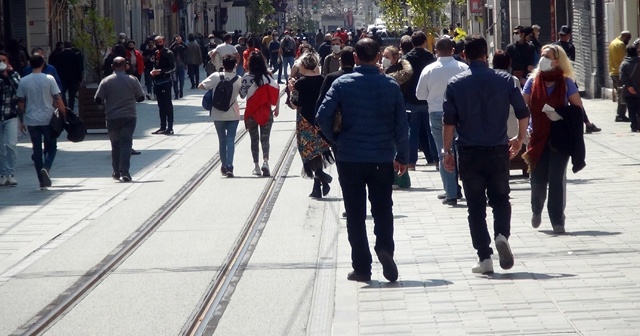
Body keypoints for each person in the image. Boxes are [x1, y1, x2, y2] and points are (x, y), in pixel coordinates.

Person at [316, 38, 409, 283]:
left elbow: (322, 116)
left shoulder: (342, 84)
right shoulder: (390, 85)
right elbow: (402, 125)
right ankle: (385, 249)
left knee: (355, 213)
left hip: (350, 158)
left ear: (355, 58)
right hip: (381, 156)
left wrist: (336, 140)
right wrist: (403, 156)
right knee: (383, 208)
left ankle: (362, 267)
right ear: (379, 57)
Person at [442, 36, 530, 274]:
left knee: (475, 206)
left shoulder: (455, 83)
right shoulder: (506, 80)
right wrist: (520, 139)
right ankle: (501, 234)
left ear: (464, 56)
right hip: (498, 149)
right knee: (501, 198)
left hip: (469, 151)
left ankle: (484, 257)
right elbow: (523, 112)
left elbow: (448, 121)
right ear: (486, 54)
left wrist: (446, 151)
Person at [522, 44, 585, 234]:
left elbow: (578, 109)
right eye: (542, 55)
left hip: (560, 138)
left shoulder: (566, 83)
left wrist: (559, 113)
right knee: (538, 180)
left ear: (557, 60)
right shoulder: (532, 82)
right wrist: (521, 131)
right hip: (537, 136)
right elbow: (522, 107)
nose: (543, 59)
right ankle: (536, 210)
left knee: (556, 179)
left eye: (547, 56)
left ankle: (558, 219)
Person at [416, 38, 468, 204]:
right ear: (453, 50)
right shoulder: (463, 67)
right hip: (461, 114)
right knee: (463, 151)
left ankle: (451, 192)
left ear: (435, 50)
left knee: (444, 152)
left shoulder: (429, 70)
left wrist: (434, 97)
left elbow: (420, 95)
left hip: (438, 113)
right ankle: (468, 188)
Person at [16, 54, 67, 190]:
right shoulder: (49, 79)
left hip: (31, 119)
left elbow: (20, 102)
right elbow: (57, 98)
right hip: (48, 118)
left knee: (36, 149)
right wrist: (64, 114)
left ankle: (41, 180)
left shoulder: (24, 81)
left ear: (29, 64)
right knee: (51, 147)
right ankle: (47, 167)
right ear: (43, 64)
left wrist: (21, 120)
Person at [288, 52, 334, 198]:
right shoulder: (324, 79)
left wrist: (291, 91)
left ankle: (321, 176)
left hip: (305, 119)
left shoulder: (300, 83)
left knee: (309, 152)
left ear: (304, 65)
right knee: (318, 151)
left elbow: (295, 104)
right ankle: (317, 187)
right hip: (321, 119)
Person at [94, 57, 145, 182]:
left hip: (112, 117)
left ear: (112, 66)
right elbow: (141, 97)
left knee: (115, 145)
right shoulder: (133, 80)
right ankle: (125, 170)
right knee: (126, 143)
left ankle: (116, 171)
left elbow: (98, 99)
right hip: (129, 116)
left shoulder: (106, 81)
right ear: (125, 66)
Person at [199, 55, 243, 177]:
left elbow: (201, 86)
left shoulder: (215, 76)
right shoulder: (238, 79)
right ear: (235, 65)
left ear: (223, 65)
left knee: (222, 140)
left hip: (217, 113)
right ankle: (230, 165)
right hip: (233, 113)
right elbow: (242, 94)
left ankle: (223, 165)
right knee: (231, 140)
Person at [240, 51, 280, 177]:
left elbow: (242, 95)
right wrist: (277, 108)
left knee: (254, 140)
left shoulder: (246, 78)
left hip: (251, 112)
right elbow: (276, 91)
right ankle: (266, 162)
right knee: (265, 139)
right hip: (265, 112)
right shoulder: (268, 77)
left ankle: (256, 166)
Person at [402, 31, 437, 170]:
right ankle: (437, 160)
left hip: (412, 99)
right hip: (428, 99)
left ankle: (411, 162)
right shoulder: (431, 58)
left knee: (412, 132)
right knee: (431, 132)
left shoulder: (406, 59)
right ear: (424, 43)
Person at [0, 52, 20, 186]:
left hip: (11, 115)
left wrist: (9, 75)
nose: (2, 63)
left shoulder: (14, 75)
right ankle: (3, 173)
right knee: (0, 148)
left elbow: (19, 90)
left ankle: (11, 173)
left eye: (3, 60)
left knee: (11, 145)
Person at [150, 36, 176, 135]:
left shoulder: (169, 53)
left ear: (164, 42)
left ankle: (170, 127)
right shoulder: (156, 53)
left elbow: (173, 68)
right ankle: (162, 126)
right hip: (157, 82)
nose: (158, 44)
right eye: (157, 42)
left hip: (165, 81)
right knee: (160, 105)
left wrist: (160, 72)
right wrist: (153, 71)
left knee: (167, 104)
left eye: (160, 42)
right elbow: (155, 65)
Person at [609, 31, 632, 122]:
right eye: (628, 39)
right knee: (622, 94)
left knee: (620, 93)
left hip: (613, 72)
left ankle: (620, 114)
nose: (628, 41)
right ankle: (620, 115)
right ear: (624, 36)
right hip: (619, 73)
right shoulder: (620, 45)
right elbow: (625, 59)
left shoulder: (613, 43)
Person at [55, 41, 84, 111]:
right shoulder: (75, 55)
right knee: (72, 95)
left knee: (62, 93)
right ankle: (71, 109)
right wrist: (80, 78)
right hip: (73, 79)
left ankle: (65, 106)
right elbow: (79, 67)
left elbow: (57, 67)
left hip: (63, 78)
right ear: (71, 46)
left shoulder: (60, 55)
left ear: (64, 46)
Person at [619, 45, 640, 132]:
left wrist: (628, 86)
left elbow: (622, 77)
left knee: (631, 109)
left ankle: (634, 126)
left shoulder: (624, 64)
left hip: (628, 91)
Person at [170, 35, 187, 99]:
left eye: (179, 39)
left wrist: (181, 42)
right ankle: (176, 93)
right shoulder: (173, 47)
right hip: (174, 66)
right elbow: (170, 48)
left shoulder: (181, 47)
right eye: (177, 39)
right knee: (175, 81)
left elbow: (186, 47)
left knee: (182, 80)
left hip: (181, 65)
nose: (178, 41)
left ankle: (181, 90)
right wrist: (175, 42)